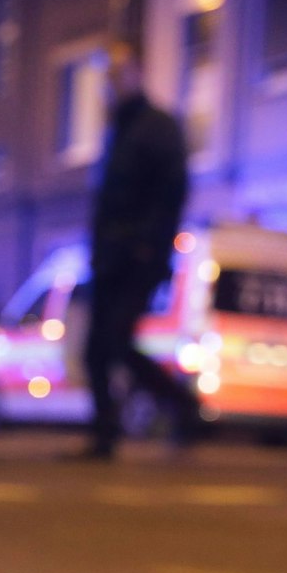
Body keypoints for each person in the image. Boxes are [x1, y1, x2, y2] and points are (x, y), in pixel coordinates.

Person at [81, 42, 195, 459]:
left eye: (119, 71)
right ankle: (105, 433)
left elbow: (172, 192)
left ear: (137, 73)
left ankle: (181, 406)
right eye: (108, 75)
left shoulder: (157, 127)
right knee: (99, 347)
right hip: (110, 257)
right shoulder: (119, 131)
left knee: (114, 339)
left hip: (137, 258)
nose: (112, 82)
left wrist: (149, 245)